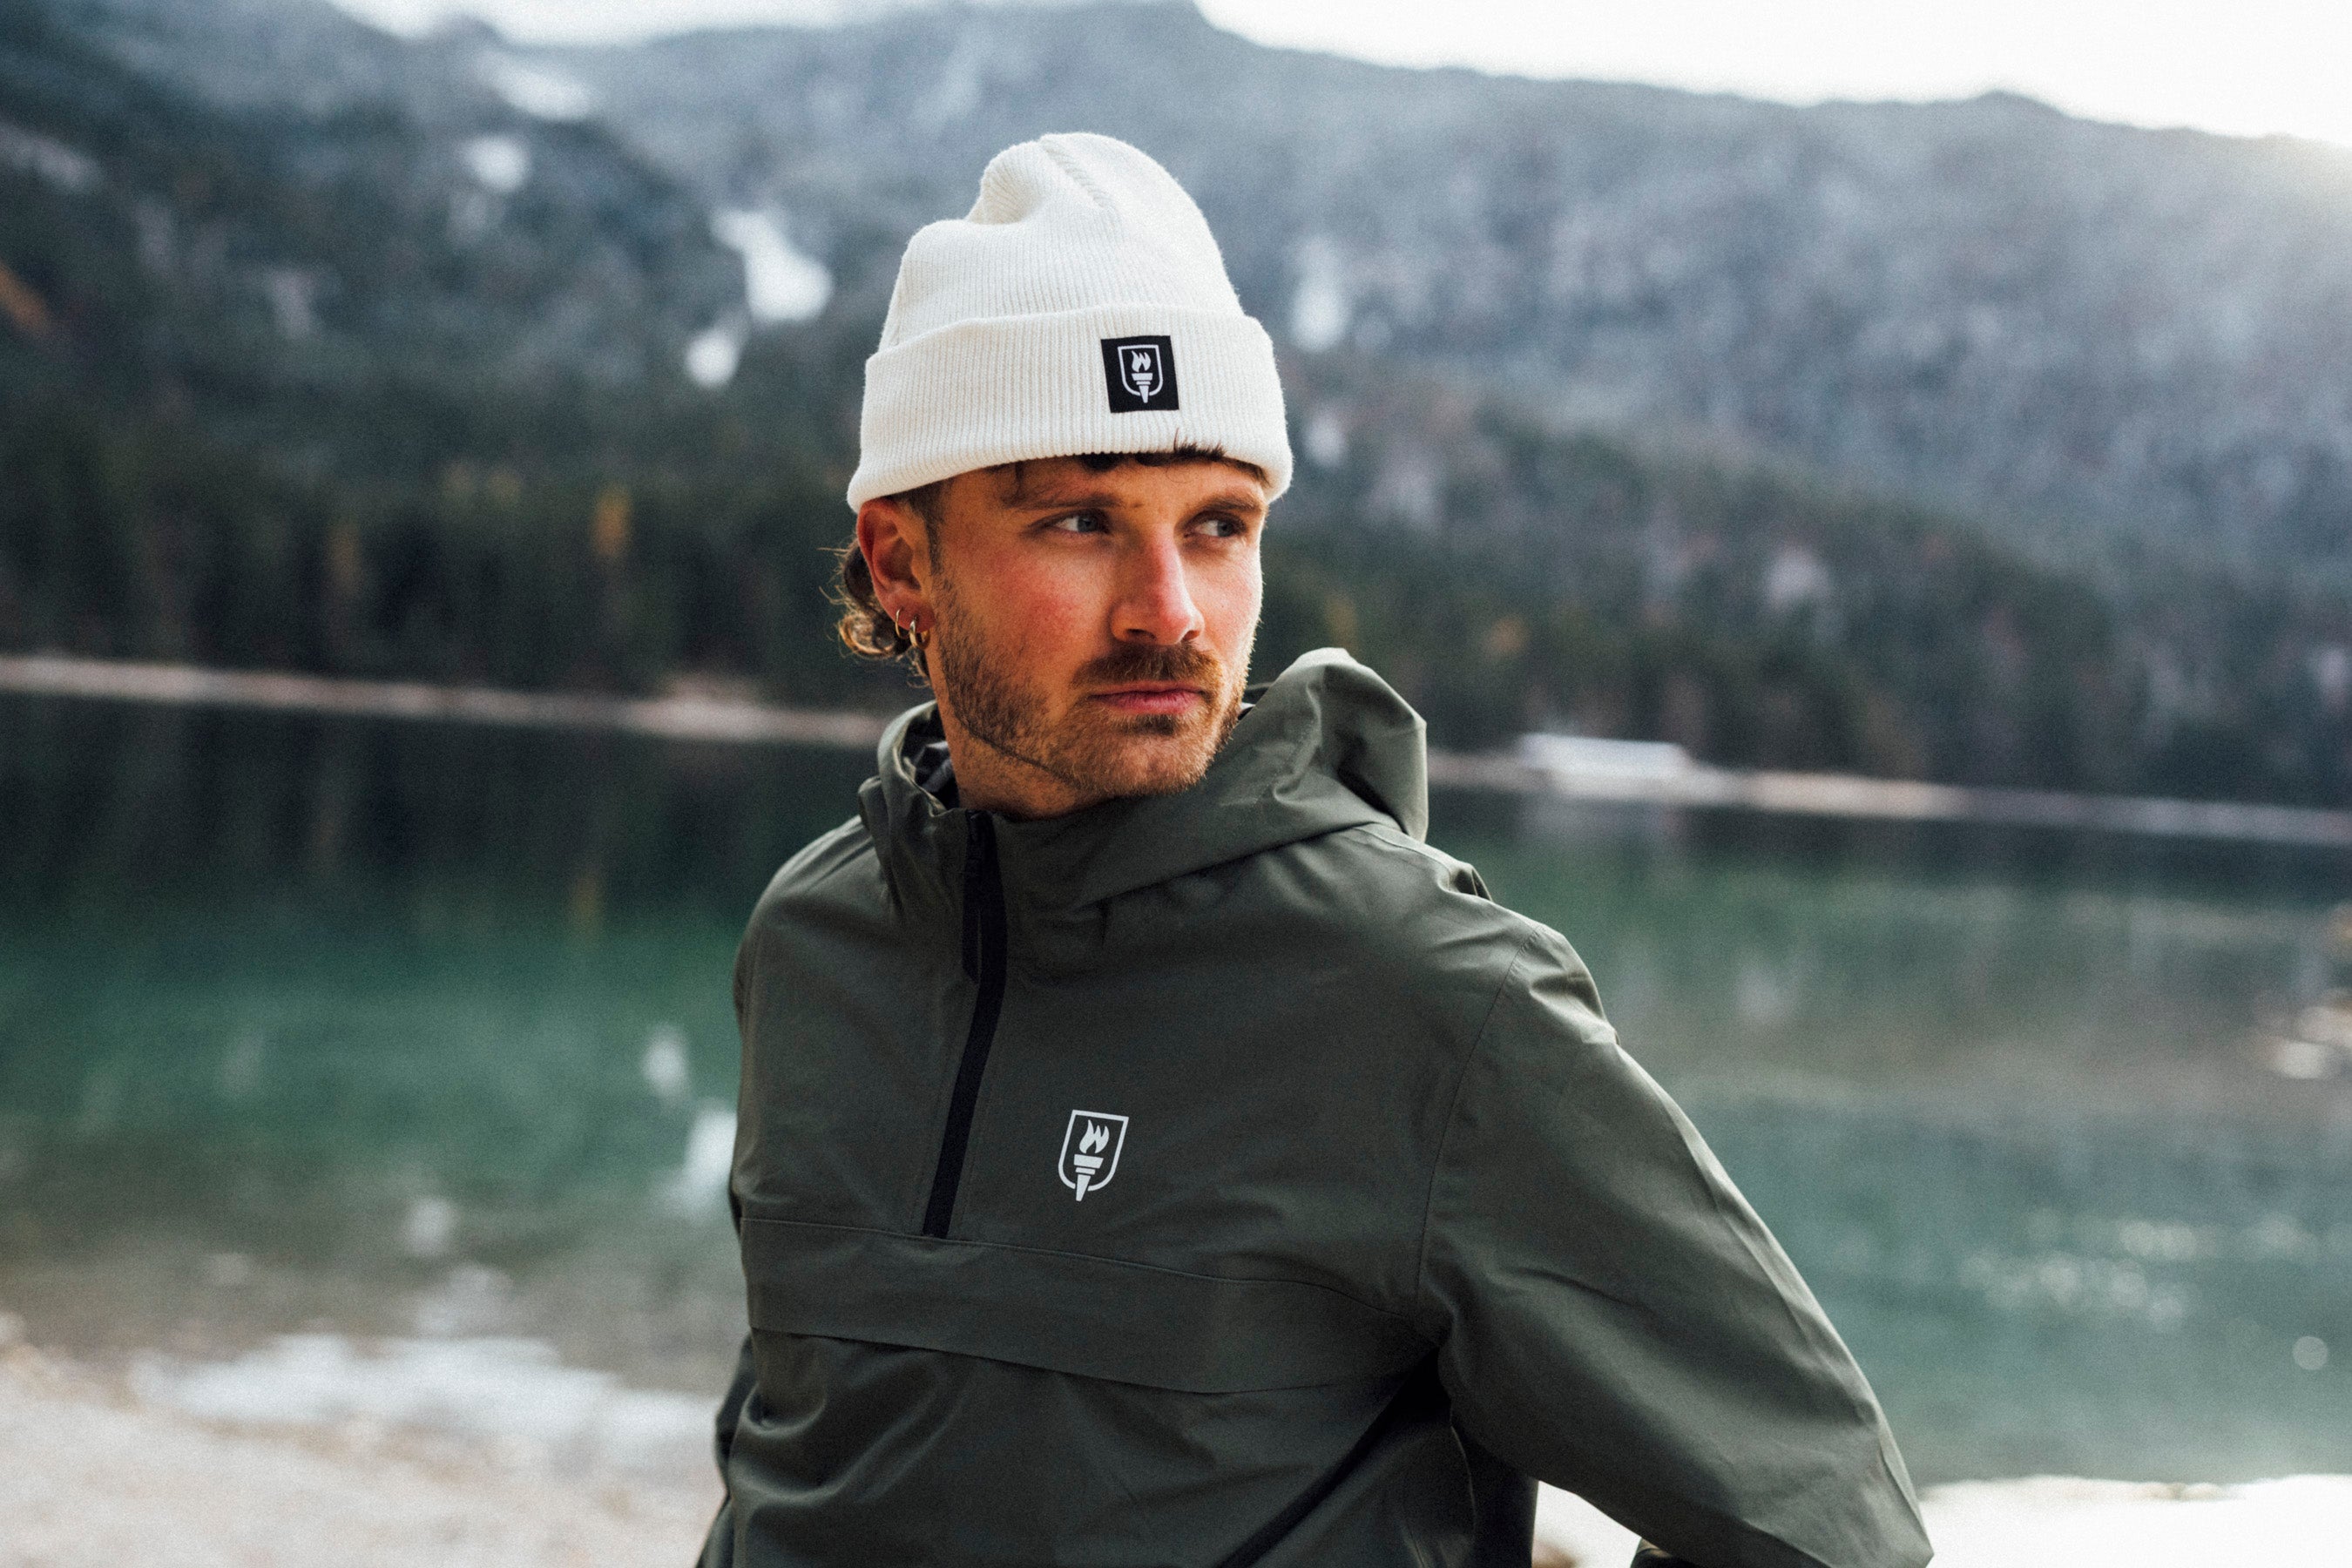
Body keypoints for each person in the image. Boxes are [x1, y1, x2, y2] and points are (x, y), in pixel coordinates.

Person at [699, 132, 1931, 1568]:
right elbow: (801, 1443)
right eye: (1083, 521)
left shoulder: (1425, 996)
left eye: (1219, 525)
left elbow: (1826, 1527)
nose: (1170, 611)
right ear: (904, 560)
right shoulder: (816, 938)